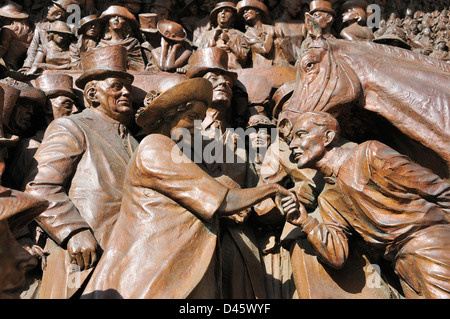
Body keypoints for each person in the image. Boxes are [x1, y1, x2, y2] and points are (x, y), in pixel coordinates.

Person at [81, 76, 293, 298]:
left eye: (201, 119)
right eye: (192, 117)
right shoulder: (155, 147)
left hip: (179, 270)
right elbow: (225, 201)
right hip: (152, 273)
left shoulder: (182, 155)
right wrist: (272, 190)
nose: (197, 126)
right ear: (167, 116)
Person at [284, 111, 450, 299]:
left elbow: (436, 189)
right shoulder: (328, 198)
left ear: (328, 137)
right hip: (404, 268)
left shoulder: (370, 154)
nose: (292, 145)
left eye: (301, 135)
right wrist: (305, 221)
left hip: (431, 247)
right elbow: (337, 257)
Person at [24, 45, 139, 299]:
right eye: (116, 86)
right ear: (91, 93)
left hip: (131, 259)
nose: (126, 92)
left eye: (128, 86)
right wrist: (73, 231)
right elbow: (40, 186)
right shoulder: (71, 126)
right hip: (85, 259)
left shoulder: (136, 143)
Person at [196, 1, 249, 70]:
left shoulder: (239, 35)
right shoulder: (208, 35)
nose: (223, 13)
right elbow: (198, 56)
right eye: (220, 11)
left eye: (227, 11)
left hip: (234, 70)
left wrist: (229, 42)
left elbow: (244, 56)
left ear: (233, 17)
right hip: (211, 69)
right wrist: (212, 42)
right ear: (216, 16)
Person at [236, 0, 288, 67]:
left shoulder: (273, 28)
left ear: (257, 11)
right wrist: (270, 35)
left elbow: (286, 50)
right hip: (262, 69)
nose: (245, 13)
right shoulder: (248, 34)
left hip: (281, 66)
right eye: (243, 12)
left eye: (248, 10)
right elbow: (264, 50)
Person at [97, 5, 146, 71]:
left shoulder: (132, 43)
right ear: (108, 24)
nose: (116, 19)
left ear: (126, 23)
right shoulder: (102, 43)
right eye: (112, 17)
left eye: (120, 17)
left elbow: (138, 64)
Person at [0, 1, 34, 71]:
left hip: (8, 64)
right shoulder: (30, 30)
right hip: (21, 63)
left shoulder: (7, 30)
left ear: (7, 18)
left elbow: (3, 50)